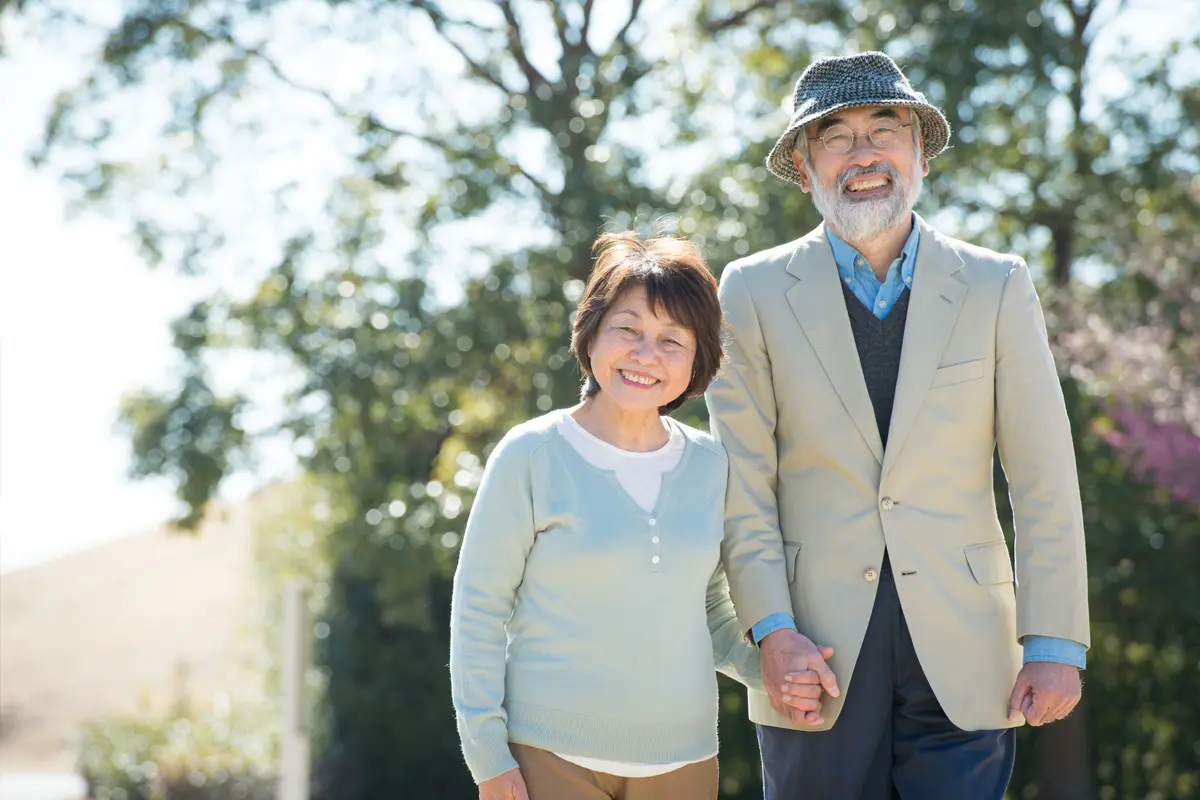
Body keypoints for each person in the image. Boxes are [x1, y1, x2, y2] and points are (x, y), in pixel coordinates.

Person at [705, 51, 1091, 799]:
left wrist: (1054, 640)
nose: (863, 154)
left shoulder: (997, 284)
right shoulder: (749, 291)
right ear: (805, 165)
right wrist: (770, 633)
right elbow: (741, 483)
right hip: (811, 652)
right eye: (835, 137)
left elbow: (1043, 474)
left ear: (919, 153)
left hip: (969, 650)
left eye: (884, 129)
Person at [450, 231, 764, 800]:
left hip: (686, 762)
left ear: (698, 360)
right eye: (628, 330)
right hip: (549, 758)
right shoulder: (531, 455)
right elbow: (477, 611)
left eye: (673, 340)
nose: (646, 355)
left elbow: (709, 613)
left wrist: (770, 673)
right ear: (591, 332)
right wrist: (488, 756)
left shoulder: (712, 465)